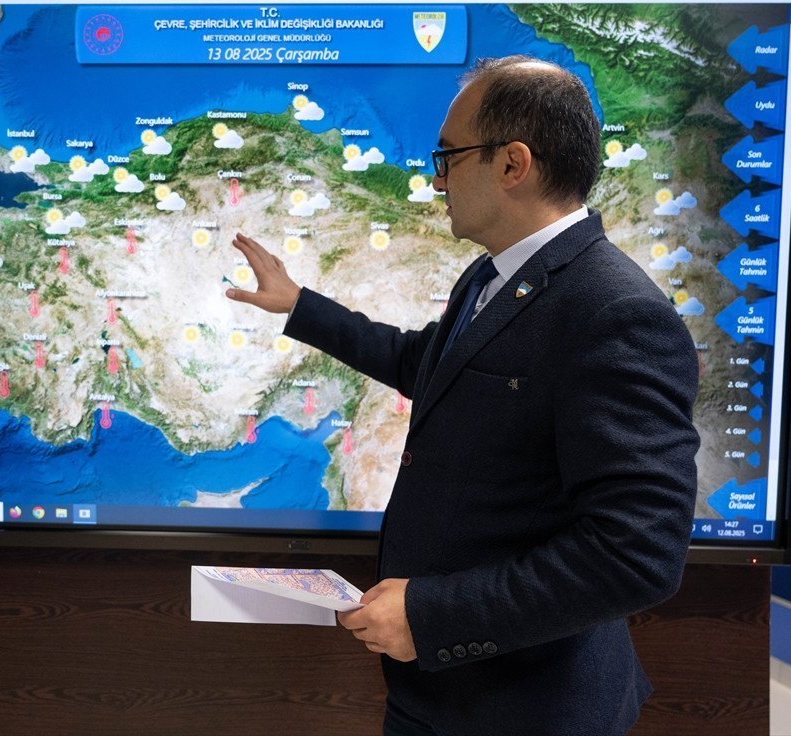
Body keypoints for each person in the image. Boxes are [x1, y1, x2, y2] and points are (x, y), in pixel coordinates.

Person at [226, 56, 699, 736]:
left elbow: (636, 555)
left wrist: (432, 617)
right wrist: (302, 307)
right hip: (441, 694)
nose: (437, 179)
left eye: (448, 157)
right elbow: (431, 365)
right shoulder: (490, 277)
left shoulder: (615, 313)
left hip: (526, 709)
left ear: (512, 164)